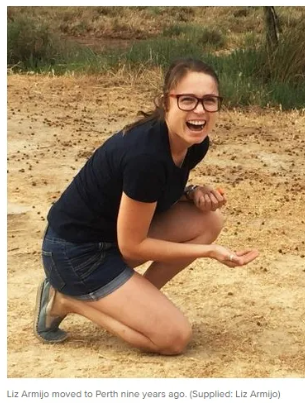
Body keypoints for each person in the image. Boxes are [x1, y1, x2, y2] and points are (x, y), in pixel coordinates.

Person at [34, 58, 259, 355]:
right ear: (167, 101)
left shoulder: (193, 144)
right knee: (173, 337)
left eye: (209, 101)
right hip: (75, 254)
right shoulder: (146, 156)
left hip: (109, 239)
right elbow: (133, 246)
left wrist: (191, 193)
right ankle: (65, 299)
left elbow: (149, 195)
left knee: (209, 220)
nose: (200, 110)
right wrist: (208, 252)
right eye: (188, 99)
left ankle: (135, 301)